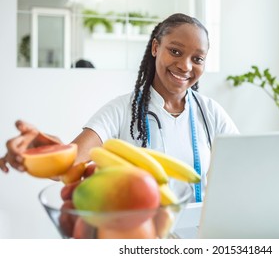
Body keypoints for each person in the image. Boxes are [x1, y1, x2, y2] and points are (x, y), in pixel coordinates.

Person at [0, 13, 239, 201]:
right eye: (175, 51)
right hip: (139, 236)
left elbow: (245, 168)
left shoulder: (211, 113)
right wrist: (37, 149)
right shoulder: (121, 110)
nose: (186, 66)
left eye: (197, 59)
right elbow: (72, 164)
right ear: (156, 48)